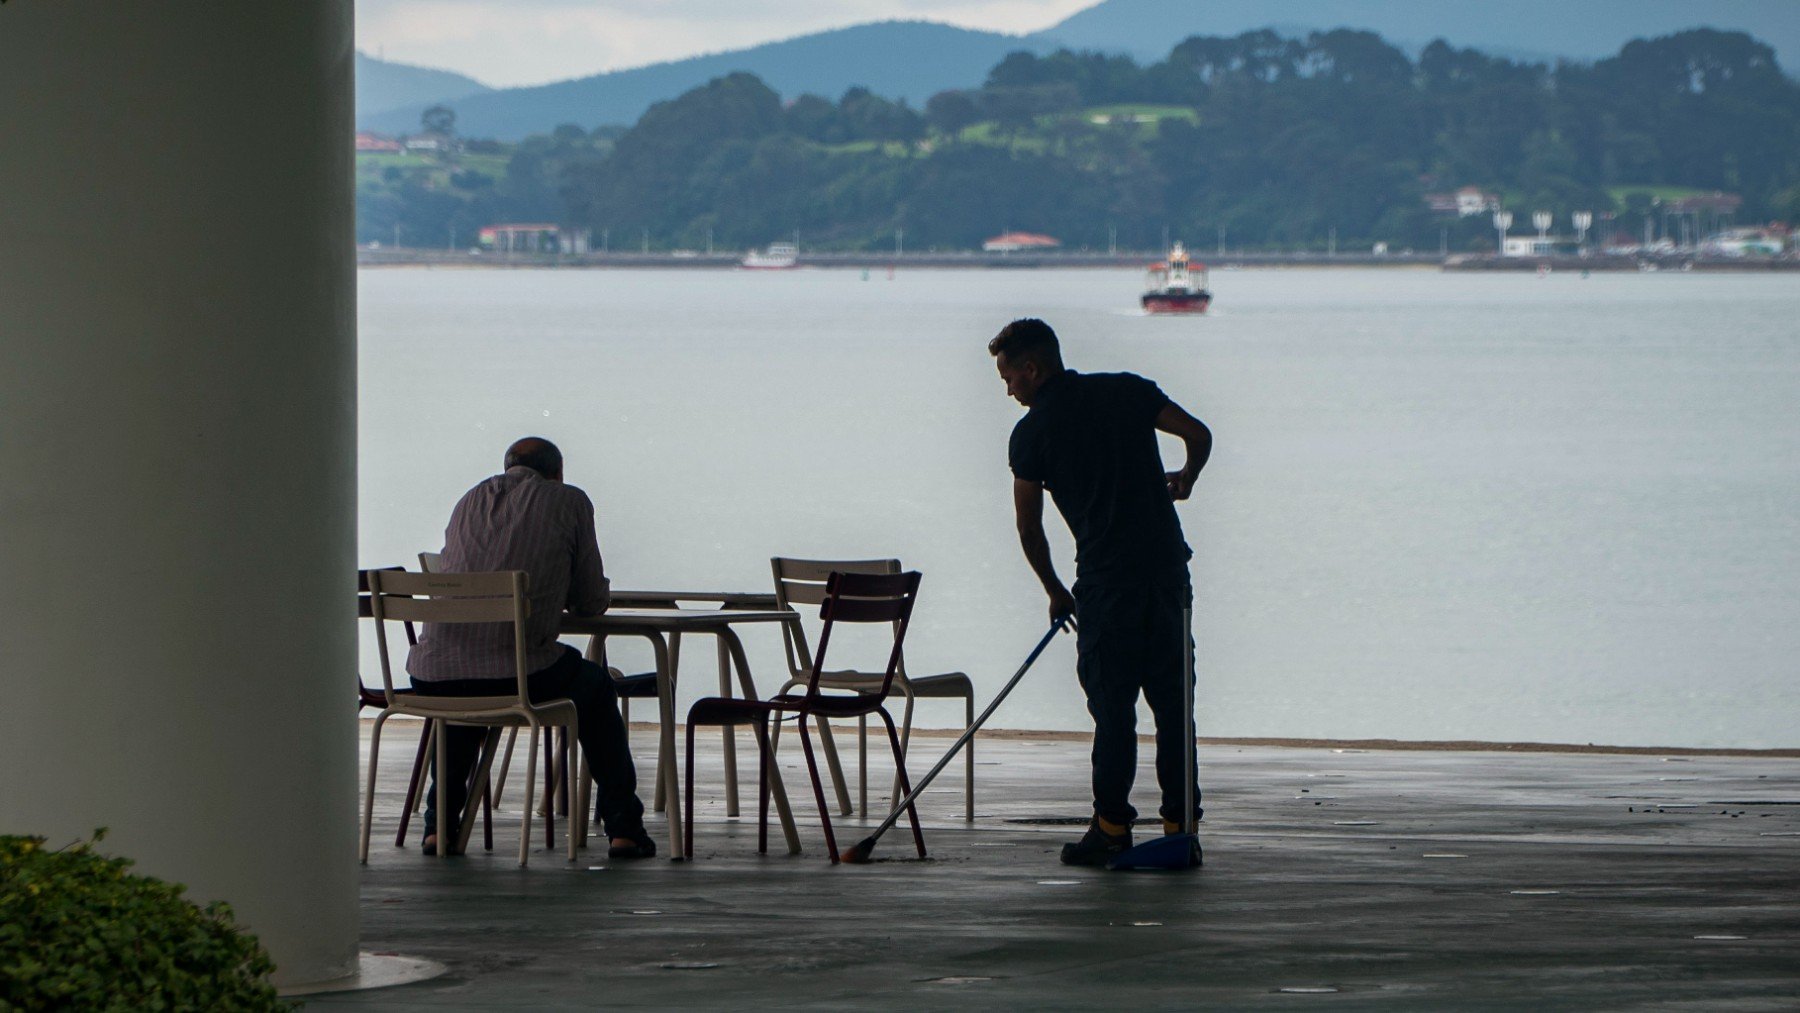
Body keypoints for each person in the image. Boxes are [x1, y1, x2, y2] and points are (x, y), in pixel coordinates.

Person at [989, 318, 1212, 866]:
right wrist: (1186, 477)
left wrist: (1055, 591)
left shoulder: (1031, 434)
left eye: (1008, 376)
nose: (1007, 388)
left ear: (1032, 369)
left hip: (1106, 585)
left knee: (1114, 712)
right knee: (1174, 708)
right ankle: (1180, 828)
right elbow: (1199, 434)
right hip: (1166, 577)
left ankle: (1112, 828)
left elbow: (1029, 527)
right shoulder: (1128, 390)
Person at [406, 437, 654, 858]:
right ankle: (624, 828)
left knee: (465, 698)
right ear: (557, 473)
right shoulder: (568, 500)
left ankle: (439, 828)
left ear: (506, 468)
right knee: (595, 685)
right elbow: (590, 602)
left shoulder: (467, 500)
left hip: (433, 677)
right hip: (517, 675)